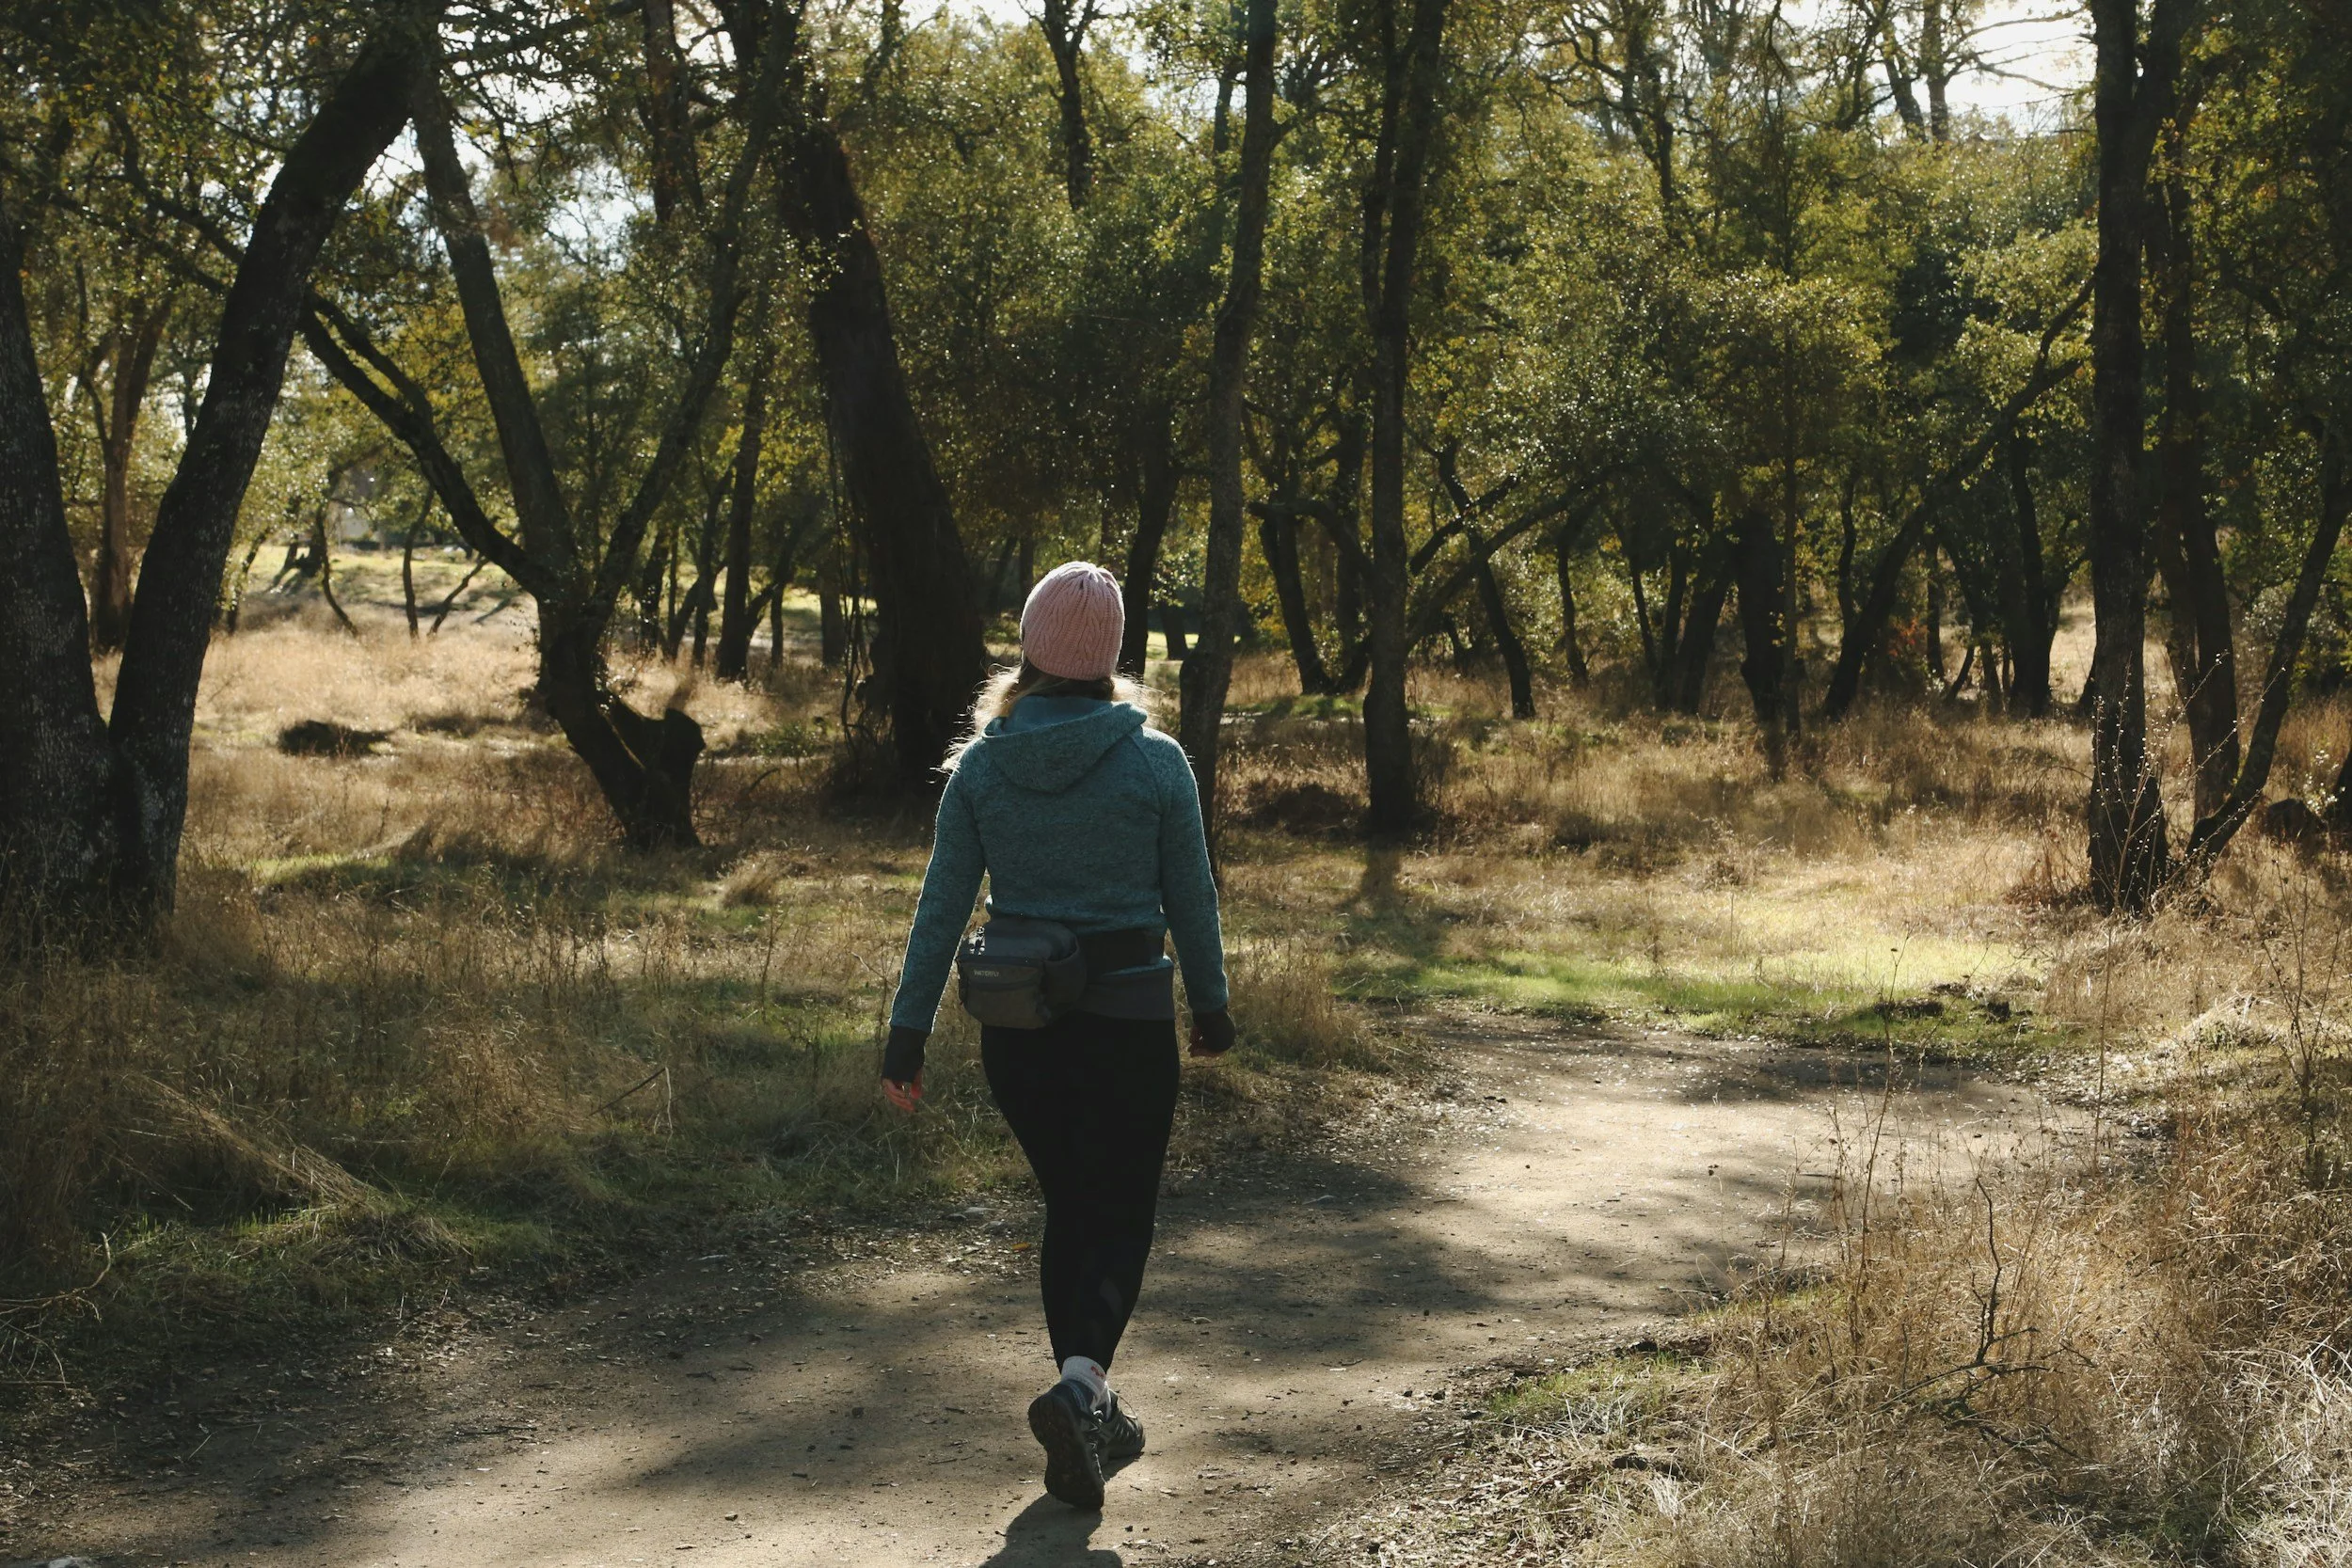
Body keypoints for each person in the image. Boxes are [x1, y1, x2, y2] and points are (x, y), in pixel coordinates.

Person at [880, 560, 1235, 1512]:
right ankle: (1082, 1390)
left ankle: (1083, 1400)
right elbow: (1190, 895)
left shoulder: (984, 767)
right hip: (1125, 1023)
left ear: (1029, 646)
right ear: (1109, 654)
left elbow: (941, 905)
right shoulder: (1155, 761)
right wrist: (1212, 1001)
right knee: (1114, 1211)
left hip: (1018, 1031)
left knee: (1073, 1205)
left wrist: (905, 1030)